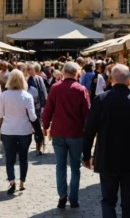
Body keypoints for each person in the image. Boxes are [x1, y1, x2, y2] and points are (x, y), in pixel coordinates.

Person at [83, 65, 130, 218]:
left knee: (108, 201)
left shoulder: (100, 100)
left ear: (111, 79)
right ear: (129, 80)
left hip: (107, 158)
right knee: (129, 203)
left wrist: (86, 155)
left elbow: (89, 131)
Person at [42, 62, 91, 209]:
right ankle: (74, 198)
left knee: (60, 166)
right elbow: (87, 114)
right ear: (77, 73)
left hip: (58, 132)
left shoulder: (55, 88)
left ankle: (62, 195)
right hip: (76, 133)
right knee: (75, 167)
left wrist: (45, 126)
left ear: (63, 73)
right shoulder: (81, 89)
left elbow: (48, 108)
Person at [0, 70, 36, 195]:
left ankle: (12, 181)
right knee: (23, 157)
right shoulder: (27, 96)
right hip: (24, 130)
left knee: (10, 158)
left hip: (8, 130)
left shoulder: (4, 95)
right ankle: (22, 182)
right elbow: (33, 116)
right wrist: (38, 130)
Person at [25, 64, 48, 156]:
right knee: (36, 126)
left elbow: (43, 92)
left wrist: (44, 105)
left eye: (30, 69)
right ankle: (38, 143)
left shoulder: (39, 78)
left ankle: (40, 145)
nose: (29, 71)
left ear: (34, 69)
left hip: (39, 106)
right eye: (28, 69)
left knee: (40, 126)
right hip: (31, 106)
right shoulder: (27, 80)